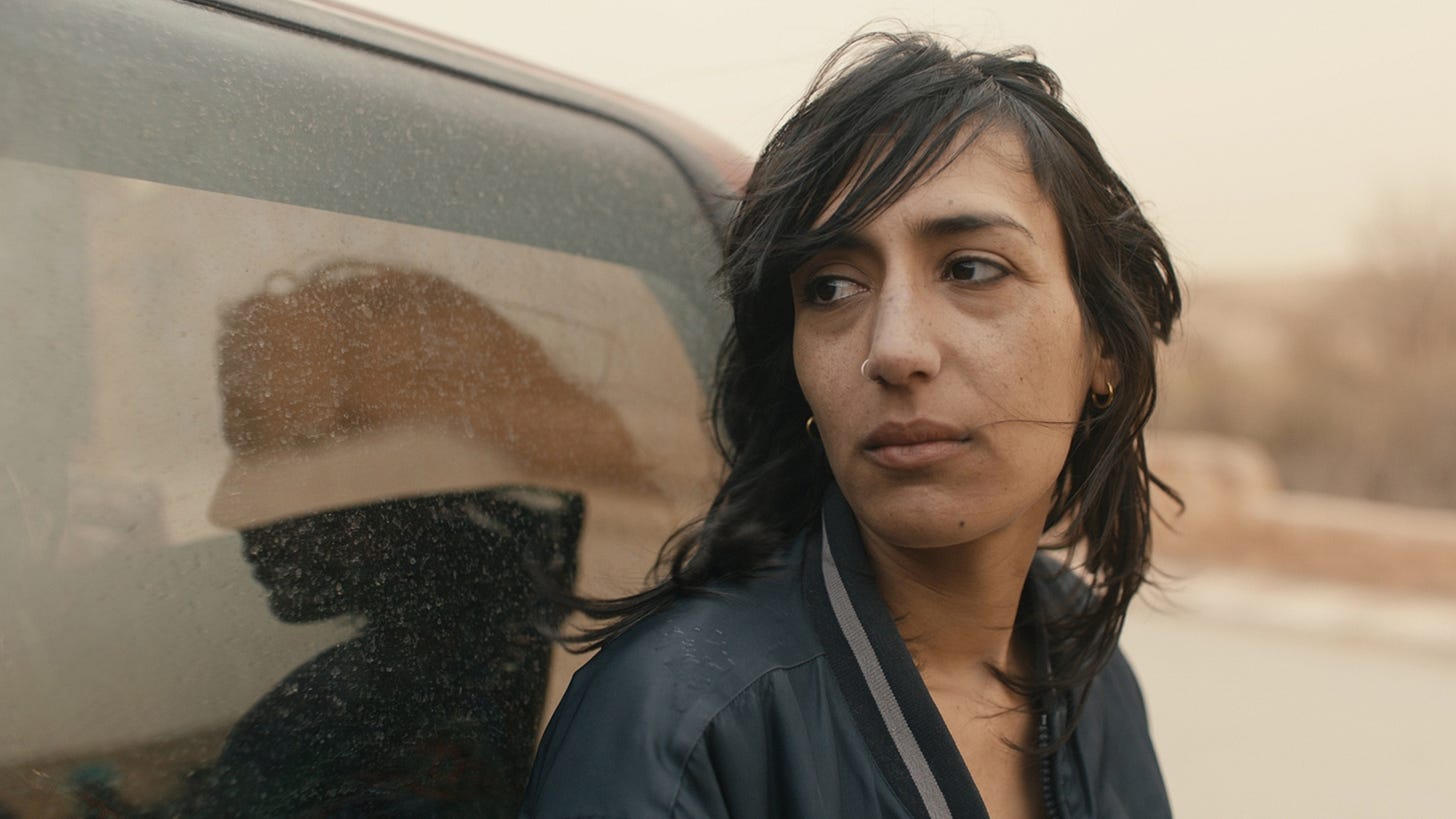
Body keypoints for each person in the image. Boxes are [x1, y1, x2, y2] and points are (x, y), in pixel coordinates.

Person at [522, 31, 1180, 819]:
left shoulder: (1086, 664)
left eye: (971, 269)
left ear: (1105, 343)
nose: (893, 349)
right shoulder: (679, 725)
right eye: (832, 287)